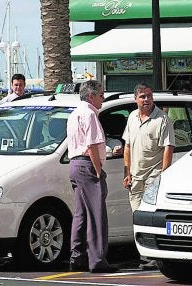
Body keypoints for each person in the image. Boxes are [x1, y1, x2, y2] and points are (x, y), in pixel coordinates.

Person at [122, 83, 175, 269]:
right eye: (143, 96)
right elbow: (127, 146)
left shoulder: (162, 119)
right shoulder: (132, 118)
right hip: (135, 177)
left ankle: (153, 256)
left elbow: (168, 148)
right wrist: (126, 173)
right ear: (135, 99)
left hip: (154, 176)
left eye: (149, 96)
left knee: (151, 217)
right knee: (137, 215)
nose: (146, 100)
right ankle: (144, 253)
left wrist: (163, 175)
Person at [67, 80, 118, 273]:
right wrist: (98, 170)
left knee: (80, 214)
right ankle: (97, 260)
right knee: (96, 215)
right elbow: (92, 145)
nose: (103, 99)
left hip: (75, 164)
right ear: (91, 96)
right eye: (101, 95)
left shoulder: (74, 113)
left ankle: (77, 257)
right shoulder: (89, 114)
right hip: (87, 164)